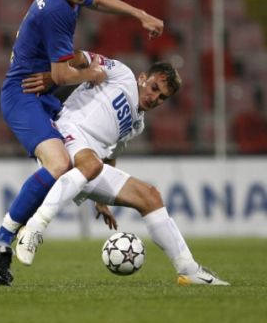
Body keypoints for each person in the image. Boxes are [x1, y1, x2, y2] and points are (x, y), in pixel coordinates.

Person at [0, 0, 164, 286]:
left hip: (44, 97)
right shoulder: (57, 12)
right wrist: (91, 74)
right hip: (24, 96)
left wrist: (139, 14)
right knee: (60, 165)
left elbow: (100, 2)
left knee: (71, 164)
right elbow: (62, 76)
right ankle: (0, 241)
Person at [15, 53, 229, 286]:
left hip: (89, 160)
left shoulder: (137, 123)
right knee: (91, 163)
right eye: (154, 87)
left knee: (150, 197)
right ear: (142, 78)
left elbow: (111, 154)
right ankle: (33, 229)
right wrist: (56, 76)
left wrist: (101, 200)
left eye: (161, 97)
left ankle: (189, 270)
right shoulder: (121, 74)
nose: (154, 97)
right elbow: (82, 56)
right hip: (67, 135)